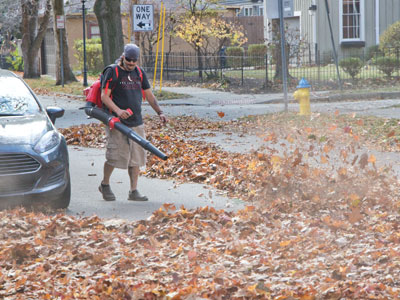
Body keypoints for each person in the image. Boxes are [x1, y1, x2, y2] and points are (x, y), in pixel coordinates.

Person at [98, 43, 167, 201]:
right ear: (123, 57)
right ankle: (105, 184)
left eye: (134, 61)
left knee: (136, 158)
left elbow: (149, 96)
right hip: (116, 122)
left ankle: (133, 191)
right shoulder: (112, 71)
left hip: (136, 121)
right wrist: (118, 111)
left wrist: (160, 112)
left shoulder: (139, 73)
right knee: (114, 156)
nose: (131, 63)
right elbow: (104, 96)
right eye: (128, 60)